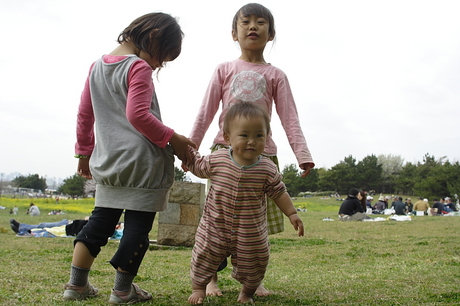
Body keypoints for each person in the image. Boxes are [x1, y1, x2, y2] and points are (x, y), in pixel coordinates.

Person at [63, 12, 196, 304]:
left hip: (109, 163)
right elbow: (138, 115)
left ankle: (76, 285)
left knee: (98, 223)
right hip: (142, 164)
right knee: (137, 228)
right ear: (152, 38)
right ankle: (123, 291)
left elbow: (85, 115)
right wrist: (174, 138)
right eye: (162, 57)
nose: (158, 64)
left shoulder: (96, 67)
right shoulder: (138, 67)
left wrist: (84, 152)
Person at [187, 3, 314, 297]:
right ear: (234, 33)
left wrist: (302, 154)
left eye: (260, 23)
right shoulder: (224, 69)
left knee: (255, 224)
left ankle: (253, 280)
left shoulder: (276, 75)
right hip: (224, 154)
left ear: (271, 34)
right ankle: (210, 279)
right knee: (217, 220)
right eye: (246, 22)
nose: (253, 27)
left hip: (262, 155)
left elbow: (289, 117)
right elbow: (205, 112)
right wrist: (189, 149)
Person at [186, 102, 304, 304]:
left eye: (259, 135)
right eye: (244, 135)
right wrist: (183, 150)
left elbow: (279, 192)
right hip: (215, 225)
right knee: (205, 254)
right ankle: (199, 288)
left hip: (250, 230)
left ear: (266, 138)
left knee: (256, 260)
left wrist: (292, 213)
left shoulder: (266, 168)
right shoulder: (217, 160)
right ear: (227, 138)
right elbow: (197, 165)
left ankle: (247, 291)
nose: (252, 141)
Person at [10, 218, 89, 236]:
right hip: (73, 223)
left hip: (73, 226)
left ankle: (22, 228)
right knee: (44, 225)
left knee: (45, 227)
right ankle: (22, 227)